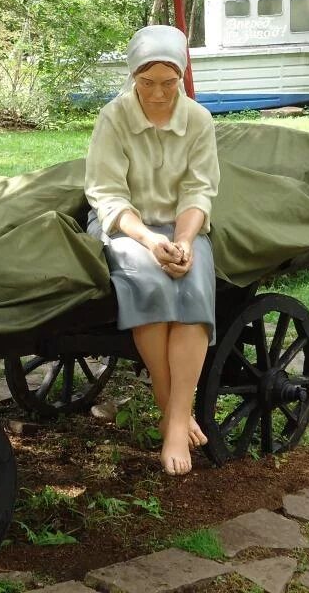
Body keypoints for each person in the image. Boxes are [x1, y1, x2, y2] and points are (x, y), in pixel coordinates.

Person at [84, 24, 219, 476]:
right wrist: (148, 240)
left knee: (194, 287)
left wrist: (182, 241)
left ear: (181, 77)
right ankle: (174, 411)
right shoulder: (114, 118)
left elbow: (199, 192)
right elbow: (107, 194)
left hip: (181, 226)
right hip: (126, 227)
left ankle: (176, 419)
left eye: (169, 82)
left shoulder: (198, 120)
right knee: (148, 284)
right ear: (133, 78)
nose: (158, 93)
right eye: (147, 82)